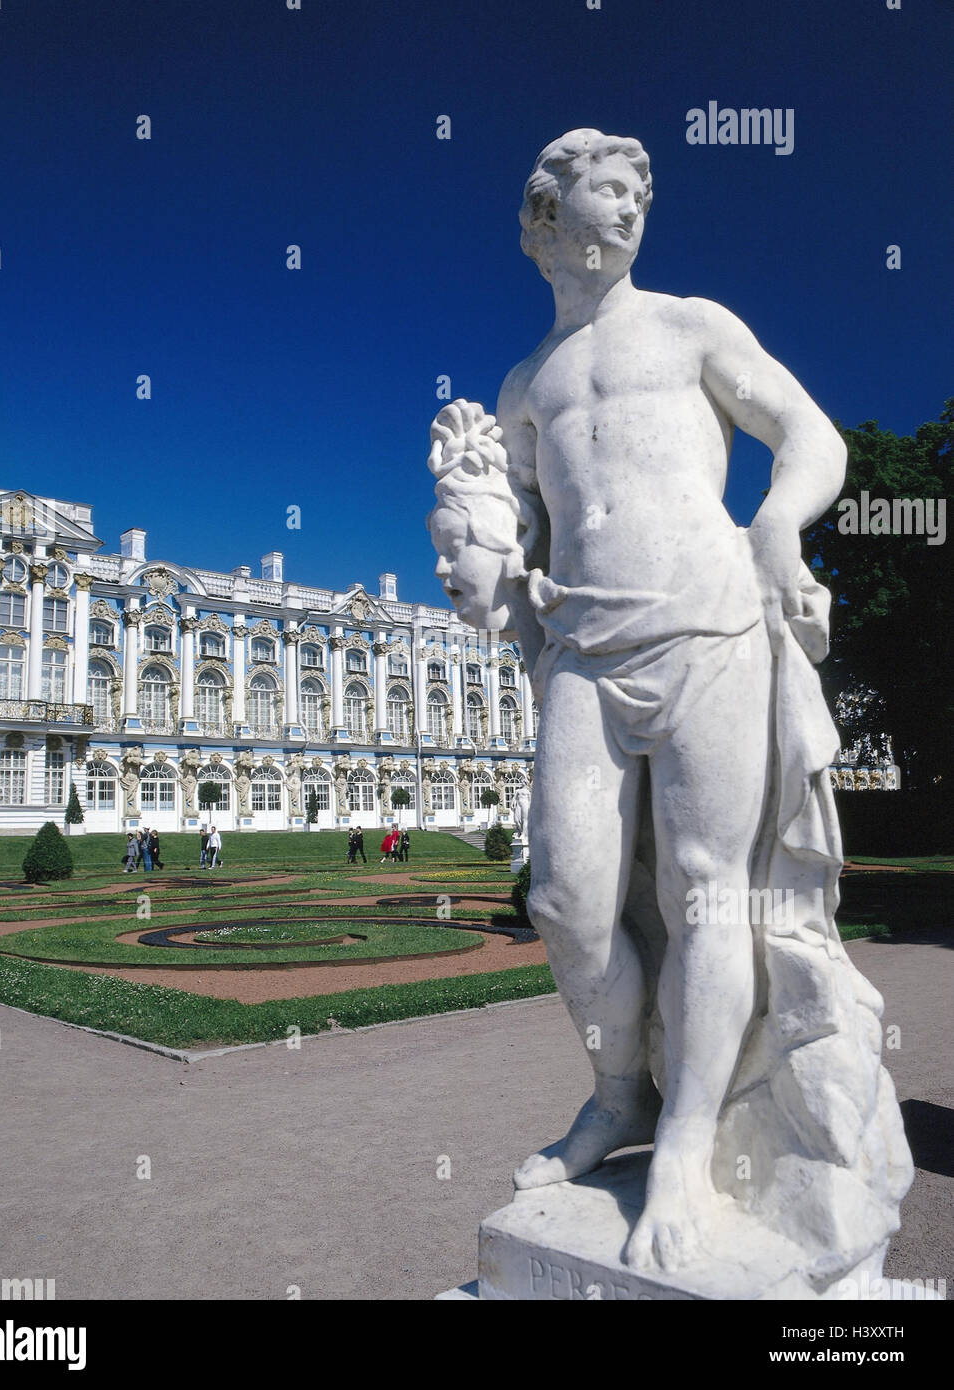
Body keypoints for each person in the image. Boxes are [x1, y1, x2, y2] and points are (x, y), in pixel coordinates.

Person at [427, 129, 859, 1274]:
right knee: (567, 897)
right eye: (602, 197)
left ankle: (683, 1137)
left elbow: (810, 434)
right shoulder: (527, 384)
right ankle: (617, 1088)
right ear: (542, 218)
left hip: (709, 618)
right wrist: (473, 548)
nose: (623, 216)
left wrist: (775, 525)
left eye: (633, 199)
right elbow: (504, 539)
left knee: (705, 892)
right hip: (580, 641)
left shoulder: (690, 325)